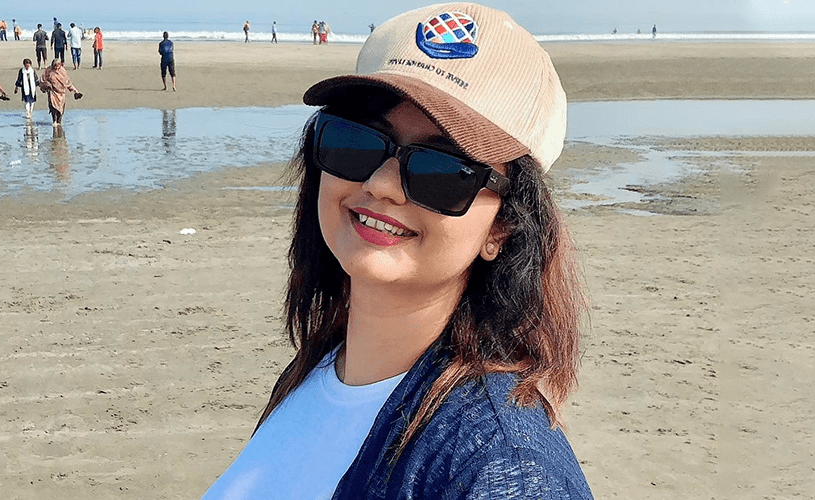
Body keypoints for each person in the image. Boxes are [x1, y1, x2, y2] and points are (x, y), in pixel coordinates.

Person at [199, 3, 593, 499]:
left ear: (504, 227)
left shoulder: (501, 467)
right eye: (358, 142)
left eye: (442, 169)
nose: (382, 184)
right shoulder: (316, 371)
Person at [40, 59, 81, 126]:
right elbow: (42, 80)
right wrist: (46, 84)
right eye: (55, 66)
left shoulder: (63, 71)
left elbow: (68, 83)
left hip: (61, 93)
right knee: (53, 107)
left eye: (57, 66)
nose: (56, 68)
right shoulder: (48, 70)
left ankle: (59, 122)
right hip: (52, 92)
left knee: (60, 108)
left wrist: (75, 91)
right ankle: (54, 121)